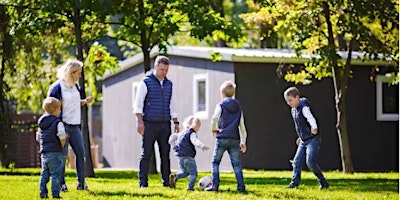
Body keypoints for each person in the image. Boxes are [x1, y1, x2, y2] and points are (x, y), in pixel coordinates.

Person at [133, 55, 180, 188]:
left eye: (166, 70)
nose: (163, 72)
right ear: (155, 67)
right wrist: (139, 122)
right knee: (146, 154)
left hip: (165, 124)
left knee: (165, 154)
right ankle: (143, 183)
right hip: (149, 123)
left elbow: (173, 104)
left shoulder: (169, 84)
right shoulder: (146, 82)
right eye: (161, 69)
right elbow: (138, 104)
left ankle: (167, 182)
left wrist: (176, 122)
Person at [47, 59, 93, 192]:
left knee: (81, 153)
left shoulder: (75, 87)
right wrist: (55, 126)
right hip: (63, 125)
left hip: (75, 125)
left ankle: (81, 183)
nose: (80, 75)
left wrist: (84, 101)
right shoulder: (57, 87)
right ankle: (61, 184)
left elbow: (72, 103)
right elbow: (49, 106)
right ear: (71, 73)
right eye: (78, 73)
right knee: (62, 156)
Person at [283, 86, 329, 189]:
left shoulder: (304, 107)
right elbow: (300, 125)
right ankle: (294, 184)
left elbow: (310, 117)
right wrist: (300, 137)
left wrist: (314, 127)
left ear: (297, 97)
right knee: (296, 162)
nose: (288, 103)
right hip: (304, 140)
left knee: (310, 162)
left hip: (313, 139)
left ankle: (323, 182)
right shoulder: (293, 110)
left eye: (290, 100)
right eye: (287, 101)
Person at [207, 80, 248, 193]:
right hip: (234, 138)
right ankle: (241, 187)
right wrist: (243, 141)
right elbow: (242, 125)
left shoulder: (221, 105)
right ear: (233, 93)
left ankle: (215, 186)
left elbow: (215, 117)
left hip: (222, 138)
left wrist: (213, 128)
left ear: (222, 93)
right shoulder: (238, 107)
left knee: (215, 162)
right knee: (236, 164)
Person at [168, 116, 209, 191]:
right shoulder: (191, 133)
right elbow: (195, 141)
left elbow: (171, 139)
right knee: (193, 173)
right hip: (188, 157)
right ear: (195, 125)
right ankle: (190, 188)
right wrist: (202, 146)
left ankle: (175, 176)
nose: (198, 129)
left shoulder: (181, 133)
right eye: (198, 127)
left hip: (180, 157)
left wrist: (174, 147)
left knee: (185, 172)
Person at [38, 97, 68, 199]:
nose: (60, 110)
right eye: (59, 108)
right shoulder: (58, 122)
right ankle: (55, 194)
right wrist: (62, 144)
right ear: (55, 110)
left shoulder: (41, 123)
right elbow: (62, 135)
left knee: (44, 174)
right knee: (56, 175)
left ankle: (43, 193)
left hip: (44, 152)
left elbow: (38, 137)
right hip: (55, 152)